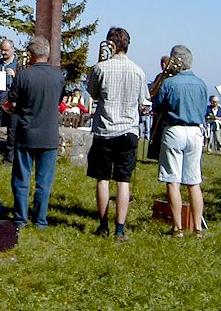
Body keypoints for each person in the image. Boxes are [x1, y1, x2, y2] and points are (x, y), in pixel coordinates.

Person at [87, 27, 149, 243]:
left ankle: (103, 224)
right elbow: (143, 101)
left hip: (105, 129)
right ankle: (120, 230)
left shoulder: (100, 68)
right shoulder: (138, 71)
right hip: (128, 130)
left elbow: (93, 93)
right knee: (124, 180)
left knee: (102, 179)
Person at [8, 36, 65, 229]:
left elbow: (13, 104)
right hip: (49, 135)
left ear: (31, 55)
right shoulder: (59, 76)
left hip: (26, 133)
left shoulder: (23, 76)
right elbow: (58, 101)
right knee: (44, 181)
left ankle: (20, 218)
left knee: (21, 178)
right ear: (47, 53)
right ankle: (40, 220)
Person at [156, 45, 207, 238]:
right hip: (195, 131)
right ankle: (197, 228)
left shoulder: (169, 83)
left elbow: (158, 104)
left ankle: (177, 228)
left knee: (172, 179)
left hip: (174, 129)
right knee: (194, 181)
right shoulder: (201, 84)